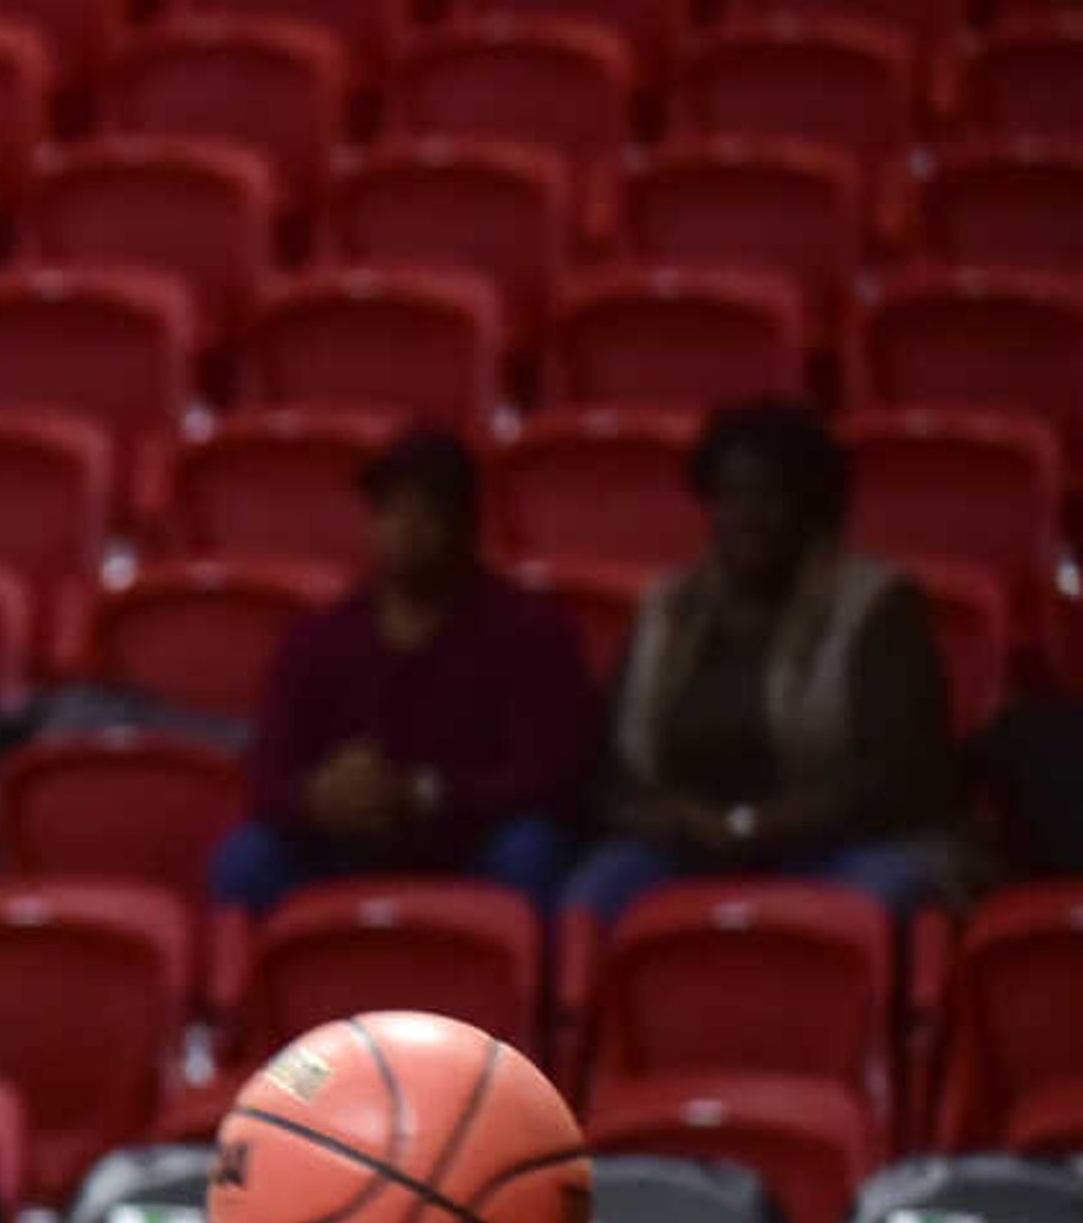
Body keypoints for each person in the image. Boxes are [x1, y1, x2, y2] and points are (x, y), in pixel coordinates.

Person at [565, 398, 963, 929]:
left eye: (768, 496)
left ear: (811, 506)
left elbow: (900, 776)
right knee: (594, 893)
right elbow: (614, 766)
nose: (745, 516)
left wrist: (763, 824)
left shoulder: (876, 606)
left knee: (875, 895)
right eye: (730, 496)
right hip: (689, 844)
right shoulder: (668, 608)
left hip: (843, 843)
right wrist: (679, 818)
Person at [207, 428, 591, 917]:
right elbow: (267, 772)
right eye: (391, 511)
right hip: (344, 843)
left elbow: (550, 776)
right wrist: (319, 797)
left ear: (467, 526)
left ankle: (525, 988)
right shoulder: (319, 637)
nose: (406, 529)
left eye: (425, 512)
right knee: (246, 858)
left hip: (467, 843)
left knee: (530, 848)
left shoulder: (530, 630)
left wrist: (423, 793)